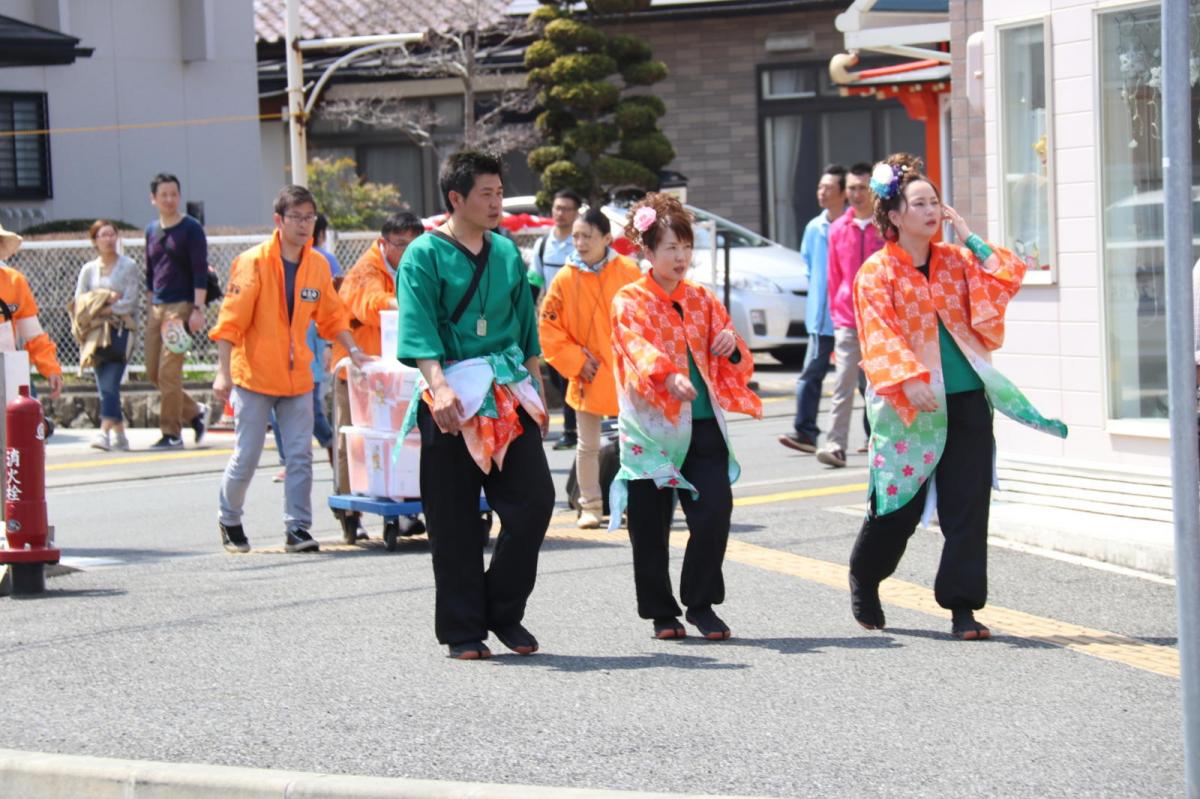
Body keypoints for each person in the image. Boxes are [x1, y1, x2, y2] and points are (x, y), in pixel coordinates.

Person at [848, 153, 1067, 640]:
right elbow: (878, 334)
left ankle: (962, 607)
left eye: (935, 202)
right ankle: (866, 574)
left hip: (966, 398)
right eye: (919, 203)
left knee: (968, 507)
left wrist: (969, 236)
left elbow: (1008, 275)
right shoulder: (877, 272)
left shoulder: (956, 259)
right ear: (894, 214)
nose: (932, 210)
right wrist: (908, 377)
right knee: (898, 507)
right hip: (909, 404)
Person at [395, 149, 554, 660]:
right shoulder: (422, 254)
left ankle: (502, 610)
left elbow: (526, 327)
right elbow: (418, 328)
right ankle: (462, 628)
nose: (496, 202)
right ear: (455, 198)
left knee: (535, 502)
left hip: (507, 392)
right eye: (485, 193)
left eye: (500, 192)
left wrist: (536, 385)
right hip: (450, 398)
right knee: (453, 517)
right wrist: (439, 387)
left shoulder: (506, 252)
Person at [609, 193, 762, 641]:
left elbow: (734, 351)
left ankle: (701, 603)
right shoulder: (629, 300)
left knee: (715, 512)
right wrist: (667, 375)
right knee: (650, 525)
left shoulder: (702, 298)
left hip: (702, 422)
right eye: (670, 247)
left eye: (686, 246)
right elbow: (635, 348)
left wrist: (730, 345)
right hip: (651, 427)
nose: (680, 257)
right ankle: (661, 612)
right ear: (647, 250)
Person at [210, 185, 369, 554]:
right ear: (278, 220)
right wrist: (223, 372)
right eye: (296, 217)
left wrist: (353, 349)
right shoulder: (253, 262)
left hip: (298, 378)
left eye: (309, 217)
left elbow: (332, 317)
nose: (303, 224)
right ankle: (229, 518)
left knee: (300, 456)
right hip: (253, 376)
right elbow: (230, 321)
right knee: (247, 456)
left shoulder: (317, 265)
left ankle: (297, 528)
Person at [538, 208, 641, 529]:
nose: (580, 242)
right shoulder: (565, 278)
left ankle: (633, 503)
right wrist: (577, 361)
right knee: (587, 445)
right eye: (576, 236)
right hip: (589, 372)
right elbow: (548, 327)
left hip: (627, 371)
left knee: (634, 443)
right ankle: (590, 505)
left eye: (587, 236)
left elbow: (647, 317)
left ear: (607, 238)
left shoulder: (629, 270)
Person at [329, 212, 427, 543]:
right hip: (359, 371)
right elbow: (369, 305)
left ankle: (407, 506)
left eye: (414, 244)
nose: (407, 251)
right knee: (354, 440)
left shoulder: (420, 264)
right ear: (384, 243)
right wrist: (406, 304)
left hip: (397, 371)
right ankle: (350, 516)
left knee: (405, 437)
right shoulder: (366, 270)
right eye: (400, 244)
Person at [817, 162, 885, 468]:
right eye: (852, 188)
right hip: (847, 318)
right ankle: (835, 445)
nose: (857, 194)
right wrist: (836, 314)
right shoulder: (838, 228)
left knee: (881, 385)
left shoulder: (886, 227)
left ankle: (884, 443)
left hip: (881, 319)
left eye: (863, 188)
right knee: (843, 384)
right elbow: (834, 276)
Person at [779, 165, 846, 453]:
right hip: (821, 318)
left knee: (861, 380)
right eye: (820, 187)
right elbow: (808, 265)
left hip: (850, 318)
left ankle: (873, 435)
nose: (822, 193)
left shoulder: (852, 227)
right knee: (810, 375)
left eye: (828, 188)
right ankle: (805, 433)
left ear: (843, 193)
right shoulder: (813, 228)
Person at [271, 213, 340, 483]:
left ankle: (333, 446)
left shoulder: (322, 261)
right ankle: (289, 461)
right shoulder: (273, 259)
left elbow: (332, 311)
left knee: (312, 410)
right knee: (278, 413)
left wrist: (328, 345)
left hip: (311, 350)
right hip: (280, 355)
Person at [144, 173, 208, 450]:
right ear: (153, 199)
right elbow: (150, 271)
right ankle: (194, 412)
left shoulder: (191, 228)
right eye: (164, 195)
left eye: (174, 194)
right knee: (153, 372)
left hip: (181, 307)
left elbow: (200, 270)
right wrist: (150, 303)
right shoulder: (151, 230)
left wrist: (197, 309)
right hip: (157, 307)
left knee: (169, 373)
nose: (169, 199)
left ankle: (171, 433)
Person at [74, 220, 140, 451]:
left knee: (110, 383)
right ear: (95, 240)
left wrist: (103, 306)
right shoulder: (88, 269)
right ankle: (120, 435)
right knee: (105, 386)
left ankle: (103, 433)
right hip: (95, 334)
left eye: (112, 234)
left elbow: (130, 301)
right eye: (104, 235)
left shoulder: (129, 266)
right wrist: (106, 297)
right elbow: (80, 301)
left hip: (121, 331)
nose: (109, 239)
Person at [532, 189, 583, 450]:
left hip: (579, 320)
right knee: (555, 375)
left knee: (570, 375)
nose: (560, 213)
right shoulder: (543, 244)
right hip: (551, 322)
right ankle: (576, 425)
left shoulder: (582, 243)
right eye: (557, 208)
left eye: (566, 208)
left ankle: (572, 431)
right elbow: (534, 280)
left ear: (576, 213)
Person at [0, 224, 64, 401]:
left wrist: (51, 369)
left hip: (6, 369)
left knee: (23, 414)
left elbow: (33, 334)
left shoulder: (14, 281)